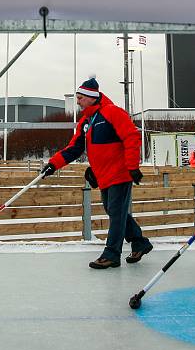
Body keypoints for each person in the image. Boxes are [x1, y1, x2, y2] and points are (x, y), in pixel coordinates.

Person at [42, 77, 151, 269]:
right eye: (77, 97)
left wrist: (132, 166)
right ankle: (139, 242)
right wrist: (53, 165)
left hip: (120, 172)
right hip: (103, 175)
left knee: (116, 213)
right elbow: (74, 148)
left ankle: (111, 254)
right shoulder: (86, 121)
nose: (78, 101)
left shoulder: (113, 113)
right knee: (113, 211)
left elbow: (132, 137)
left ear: (92, 97)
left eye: (81, 97)